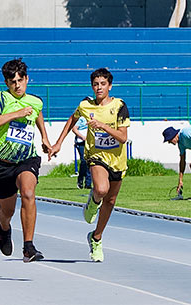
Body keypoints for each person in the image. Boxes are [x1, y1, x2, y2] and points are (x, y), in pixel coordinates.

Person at [49, 68, 130, 262]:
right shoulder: (85, 105)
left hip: (117, 160)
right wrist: (58, 143)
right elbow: (72, 119)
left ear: (110, 86)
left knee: (110, 201)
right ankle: (92, 202)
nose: (99, 87)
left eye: (103, 84)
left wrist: (103, 126)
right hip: (95, 155)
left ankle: (96, 237)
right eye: (95, 84)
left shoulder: (119, 106)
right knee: (101, 189)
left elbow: (123, 137)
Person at [0, 58, 52, 263]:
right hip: (3, 163)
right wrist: (15, 114)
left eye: (20, 80)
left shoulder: (35, 101)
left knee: (28, 192)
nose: (17, 85)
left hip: (26, 159)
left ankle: (28, 247)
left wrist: (44, 137)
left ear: (27, 79)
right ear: (6, 83)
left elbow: (37, 114)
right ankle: (4, 228)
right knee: (7, 210)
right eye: (12, 82)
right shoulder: (1, 99)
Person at [72, 119, 92, 190]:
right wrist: (82, 137)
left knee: (90, 161)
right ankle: (80, 180)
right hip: (81, 142)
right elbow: (74, 129)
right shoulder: (81, 118)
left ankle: (88, 183)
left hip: (90, 142)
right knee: (84, 161)